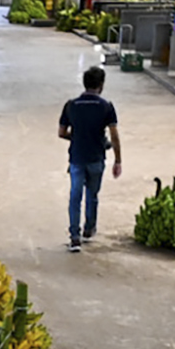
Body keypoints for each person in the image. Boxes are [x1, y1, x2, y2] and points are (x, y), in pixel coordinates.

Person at [58, 66, 121, 251]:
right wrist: (118, 160)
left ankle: (74, 237)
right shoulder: (106, 106)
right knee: (92, 195)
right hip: (96, 158)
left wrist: (78, 137)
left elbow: (61, 133)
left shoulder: (71, 105)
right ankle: (88, 229)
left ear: (84, 84)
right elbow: (115, 136)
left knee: (74, 197)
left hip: (77, 158)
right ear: (101, 86)